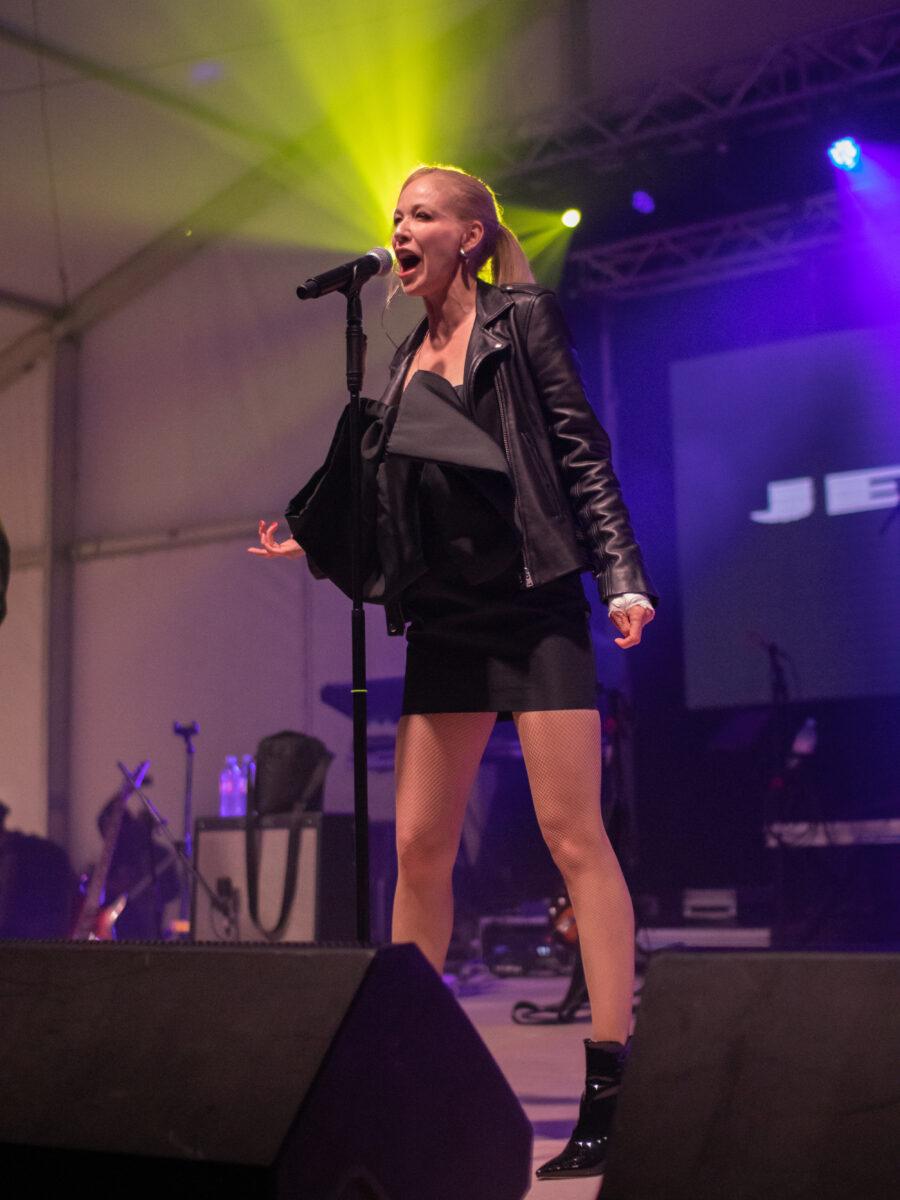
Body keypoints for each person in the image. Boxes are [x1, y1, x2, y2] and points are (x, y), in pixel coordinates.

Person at [250, 164, 656, 1181]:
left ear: (469, 236)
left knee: (574, 837)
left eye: (421, 214)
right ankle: (407, 1078)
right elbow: (390, 486)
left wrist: (621, 576)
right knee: (420, 848)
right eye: (396, 215)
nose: (400, 227)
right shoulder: (399, 356)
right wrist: (311, 530)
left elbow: (581, 451)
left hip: (534, 603)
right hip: (446, 619)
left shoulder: (524, 320)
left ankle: (612, 1091)